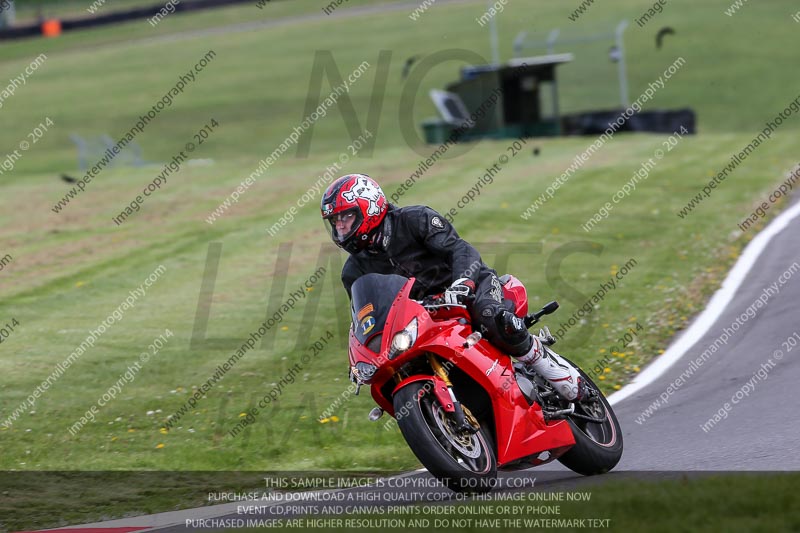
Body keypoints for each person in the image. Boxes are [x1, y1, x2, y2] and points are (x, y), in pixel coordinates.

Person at [320, 173, 586, 402]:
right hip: (423, 317)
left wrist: (463, 283)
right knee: (399, 368)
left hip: (470, 287)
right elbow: (367, 316)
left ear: (370, 208)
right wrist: (361, 354)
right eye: (335, 221)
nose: (340, 226)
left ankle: (547, 364)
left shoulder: (415, 219)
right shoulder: (352, 271)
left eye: (346, 217)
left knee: (493, 317)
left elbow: (460, 249)